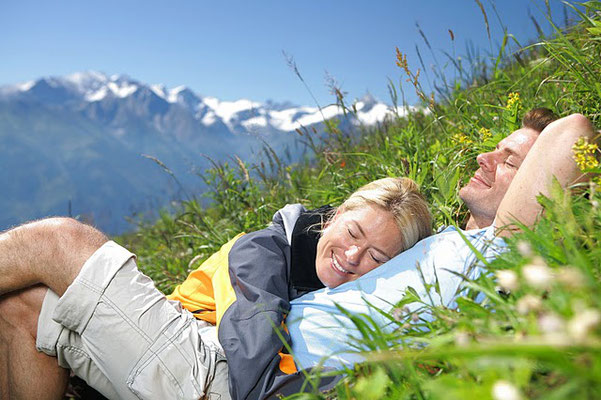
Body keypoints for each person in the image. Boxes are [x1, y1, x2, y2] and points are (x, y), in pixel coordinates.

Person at [0, 109, 595, 399]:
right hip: (220, 351)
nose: (486, 159)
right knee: (27, 309)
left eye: (511, 161)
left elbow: (572, 131)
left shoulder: (496, 257)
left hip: (235, 379)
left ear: (536, 190)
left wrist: (541, 145)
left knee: (60, 242)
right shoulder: (444, 245)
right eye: (492, 150)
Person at [0, 177, 432, 400]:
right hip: (198, 354)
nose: (353, 256)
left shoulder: (355, 297)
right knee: (29, 301)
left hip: (198, 369)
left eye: (376, 257)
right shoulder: (264, 253)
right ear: (332, 217)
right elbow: (249, 365)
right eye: (353, 232)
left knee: (53, 246)